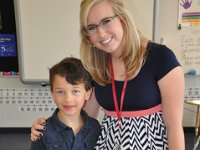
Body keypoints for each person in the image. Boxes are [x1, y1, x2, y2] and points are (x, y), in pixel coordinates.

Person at [31, 0, 185, 149]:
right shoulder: (95, 66)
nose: (101, 33)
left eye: (106, 21)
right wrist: (46, 127)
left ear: (123, 19)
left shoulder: (160, 57)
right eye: (91, 27)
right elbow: (81, 117)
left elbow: (174, 127)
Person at [30, 57, 101, 150]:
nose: (68, 99)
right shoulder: (42, 130)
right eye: (60, 92)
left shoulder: (95, 127)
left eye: (75, 91)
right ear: (52, 94)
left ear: (87, 94)